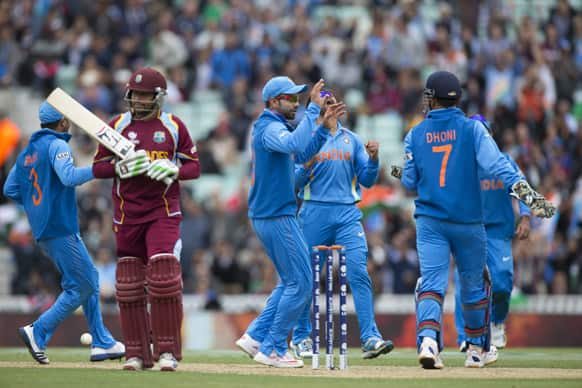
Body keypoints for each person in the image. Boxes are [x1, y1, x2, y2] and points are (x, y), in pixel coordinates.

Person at [390, 70, 555, 369]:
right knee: (474, 286)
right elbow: (499, 167)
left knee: (432, 282)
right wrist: (531, 199)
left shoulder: (415, 134)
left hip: (430, 222)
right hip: (468, 223)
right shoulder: (473, 130)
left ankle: (428, 341)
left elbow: (409, 181)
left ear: (432, 98)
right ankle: (476, 349)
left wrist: (397, 170)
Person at [92, 67, 201, 371]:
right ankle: (136, 352)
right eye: (135, 94)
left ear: (158, 97)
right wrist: (118, 168)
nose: (138, 100)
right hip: (127, 213)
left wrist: (174, 169)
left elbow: (194, 167)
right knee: (129, 282)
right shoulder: (116, 126)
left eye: (144, 95)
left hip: (163, 210)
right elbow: (98, 166)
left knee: (163, 274)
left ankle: (167, 351)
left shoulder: (172, 125)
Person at [235, 76, 345, 368]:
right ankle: (272, 348)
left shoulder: (278, 126)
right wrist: (312, 109)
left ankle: (256, 336)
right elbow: (296, 143)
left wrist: (322, 126)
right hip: (275, 214)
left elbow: (302, 153)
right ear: (273, 102)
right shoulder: (268, 127)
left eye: (298, 98)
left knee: (291, 282)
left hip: (276, 213)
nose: (295, 103)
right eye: (291, 99)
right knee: (301, 282)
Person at [3, 101, 124, 365]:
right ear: (63, 122)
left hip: (45, 229)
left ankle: (102, 342)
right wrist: (101, 169)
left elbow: (10, 189)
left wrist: (36, 207)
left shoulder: (27, 152)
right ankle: (39, 330)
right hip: (60, 226)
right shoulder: (58, 145)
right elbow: (68, 177)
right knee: (84, 285)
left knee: (87, 278)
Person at [290, 90, 394, 360]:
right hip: (314, 212)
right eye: (324, 104)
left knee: (359, 272)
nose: (329, 108)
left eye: (331, 103)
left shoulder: (352, 140)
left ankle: (371, 337)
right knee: (308, 278)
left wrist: (373, 159)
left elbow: (368, 180)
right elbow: (294, 184)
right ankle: (301, 337)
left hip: (348, 213)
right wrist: (306, 167)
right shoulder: (307, 140)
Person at [454, 115, 531, 352]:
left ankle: (497, 322)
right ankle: (465, 338)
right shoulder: (461, 165)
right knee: (465, 284)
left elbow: (520, 183)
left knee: (503, 282)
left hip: (498, 230)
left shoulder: (504, 161)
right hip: (470, 229)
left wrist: (526, 216)